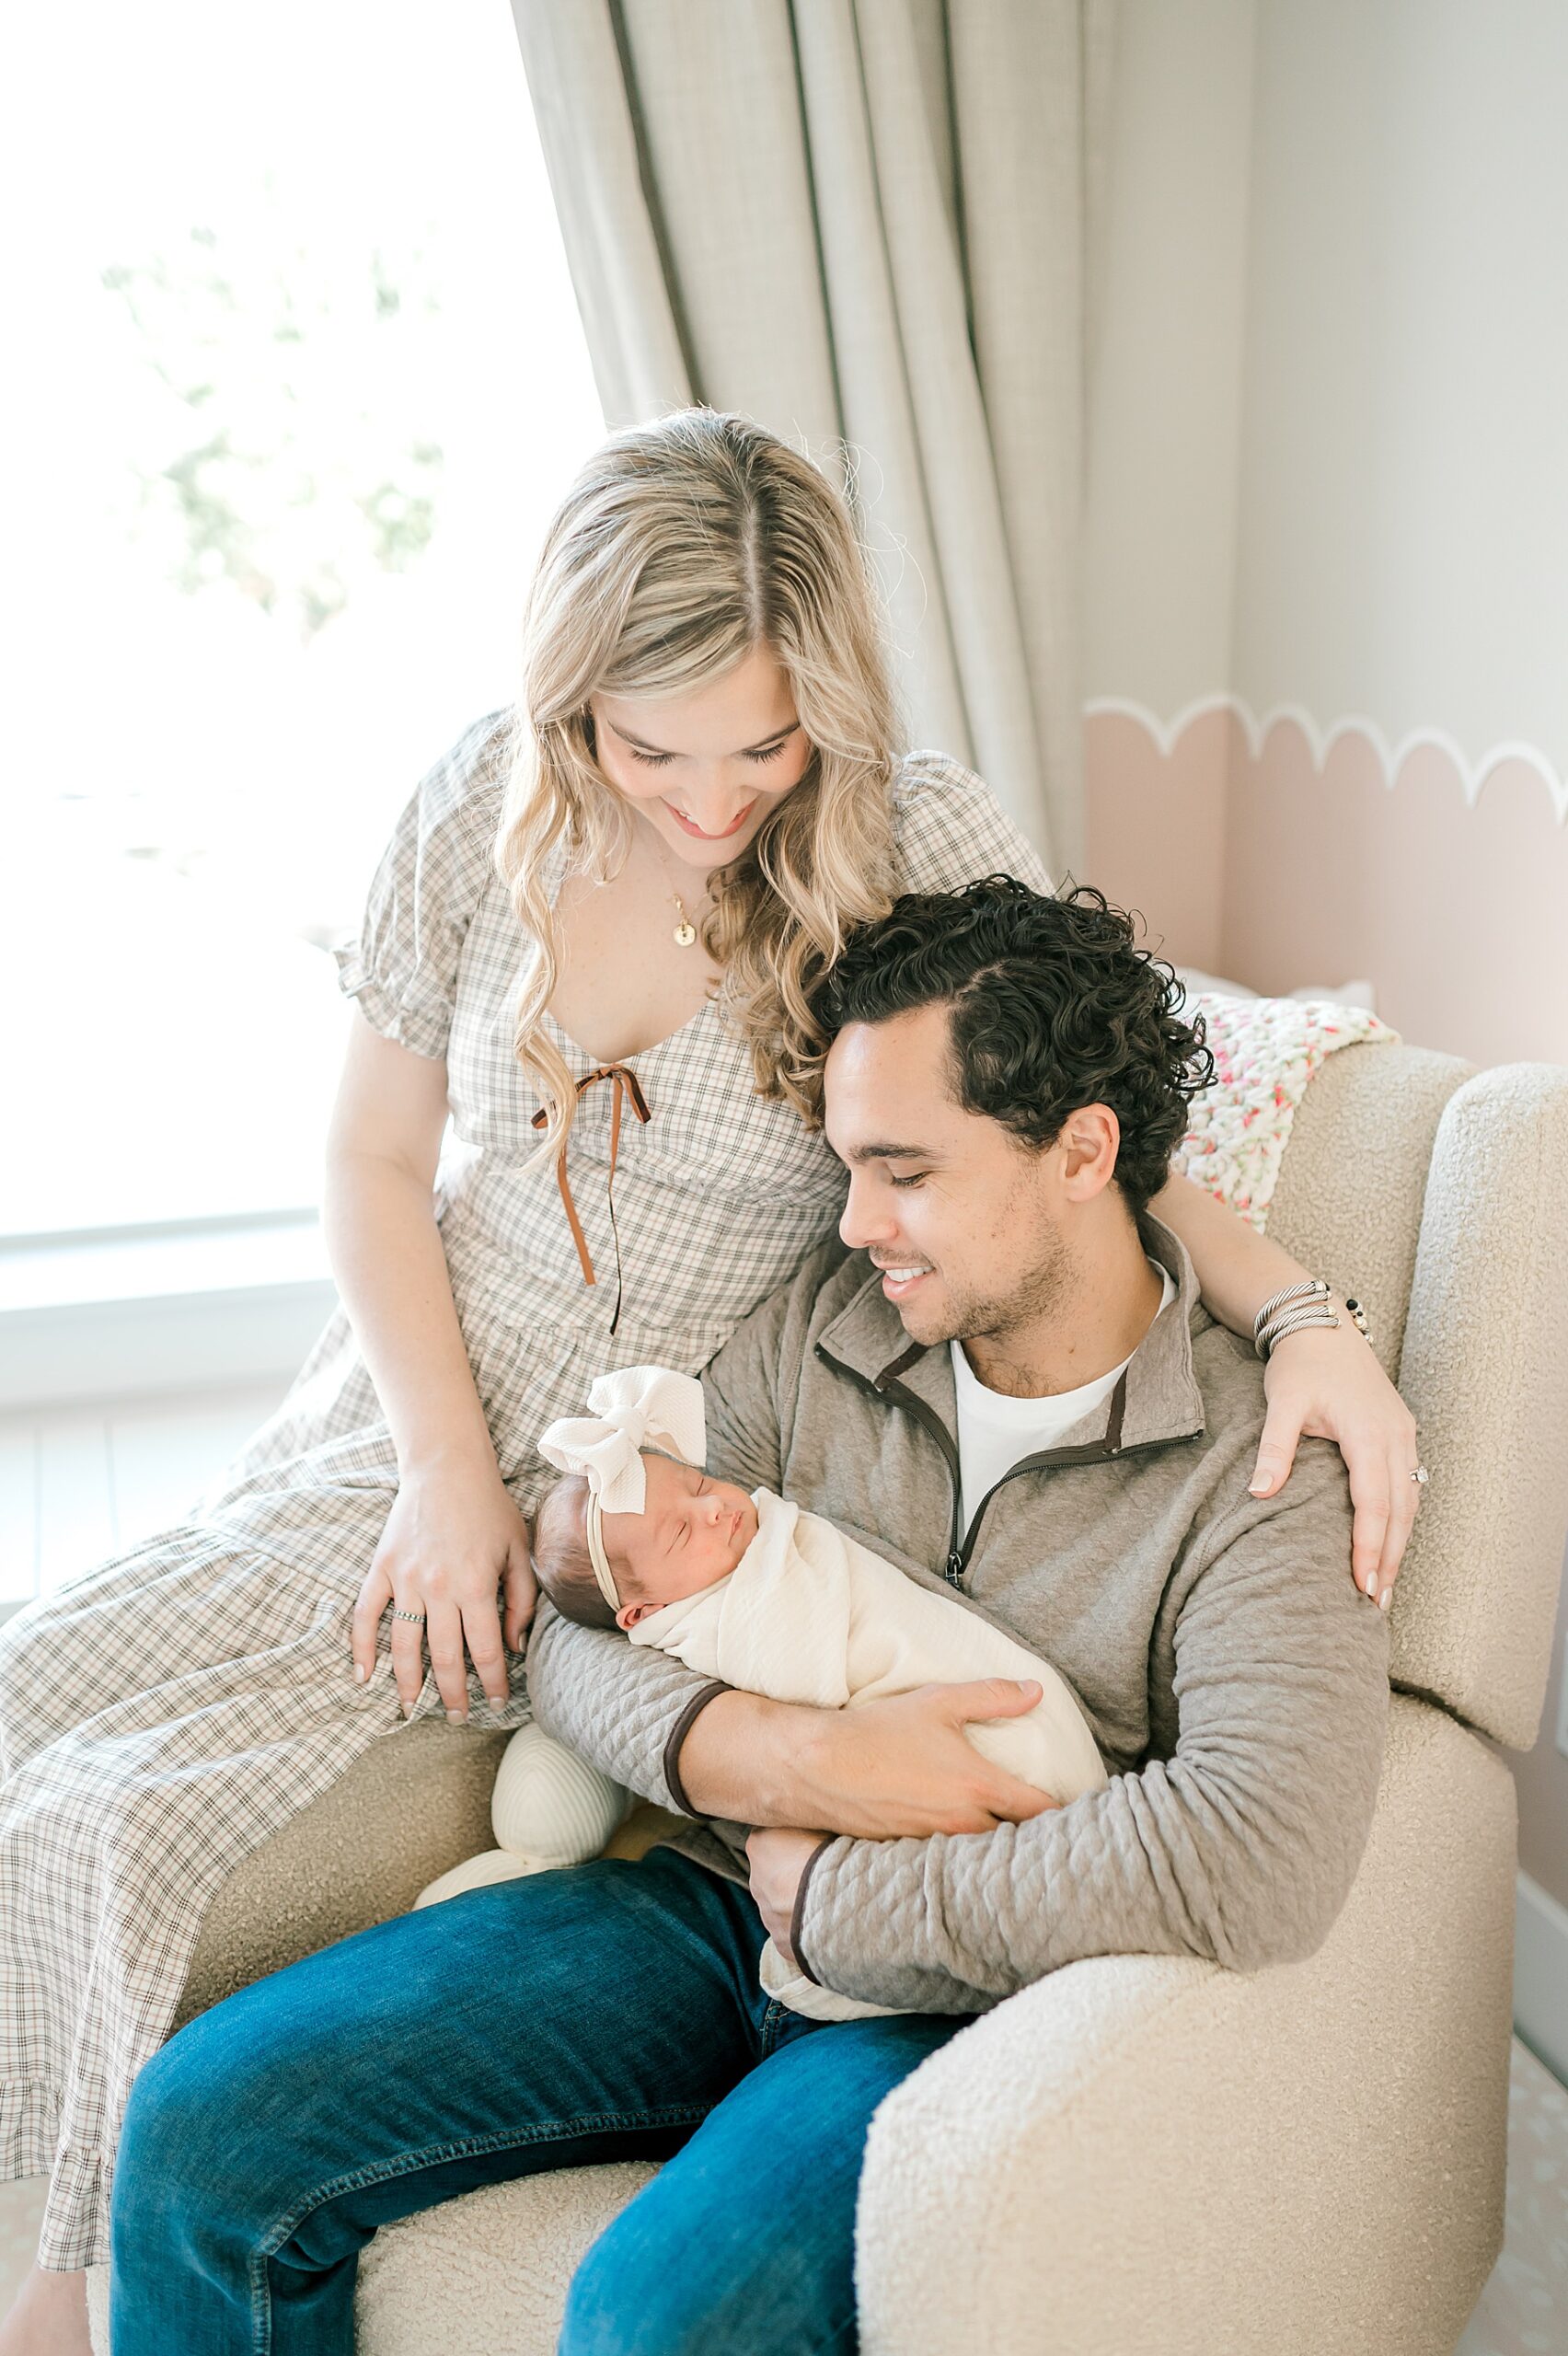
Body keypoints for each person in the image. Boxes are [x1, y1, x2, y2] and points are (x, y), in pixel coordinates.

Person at [0, 410, 1418, 2356]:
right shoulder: (475, 810)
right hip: (428, 1432)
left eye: (763, 745)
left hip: (667, 1464)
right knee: (34, 1722)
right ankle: (62, 2272)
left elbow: (1108, 1117)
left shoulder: (911, 841)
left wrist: (1313, 1318)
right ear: (568, 701)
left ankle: (63, 2292)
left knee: (139, 1830)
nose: (714, 798)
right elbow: (373, 1163)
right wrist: (454, 1480)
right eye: (649, 748)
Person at [107, 877, 1394, 2353]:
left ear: (1082, 1153)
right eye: (849, 1166)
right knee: (203, 2128)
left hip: (960, 2000)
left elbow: (1257, 1849)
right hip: (707, 1901)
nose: (858, 1223)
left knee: (665, 2314)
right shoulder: (829, 1322)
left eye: (904, 1171)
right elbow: (583, 1617)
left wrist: (848, 1905)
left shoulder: (1268, 1465)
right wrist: (752, 1751)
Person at [451, 1360, 1107, 2021]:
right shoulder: (720, 1610)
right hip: (714, 1885)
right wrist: (804, 1758)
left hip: (979, 1843)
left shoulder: (746, 1549)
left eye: (700, 1485)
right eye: (682, 1531)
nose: (713, 1510)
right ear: (640, 1616)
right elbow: (562, 1648)